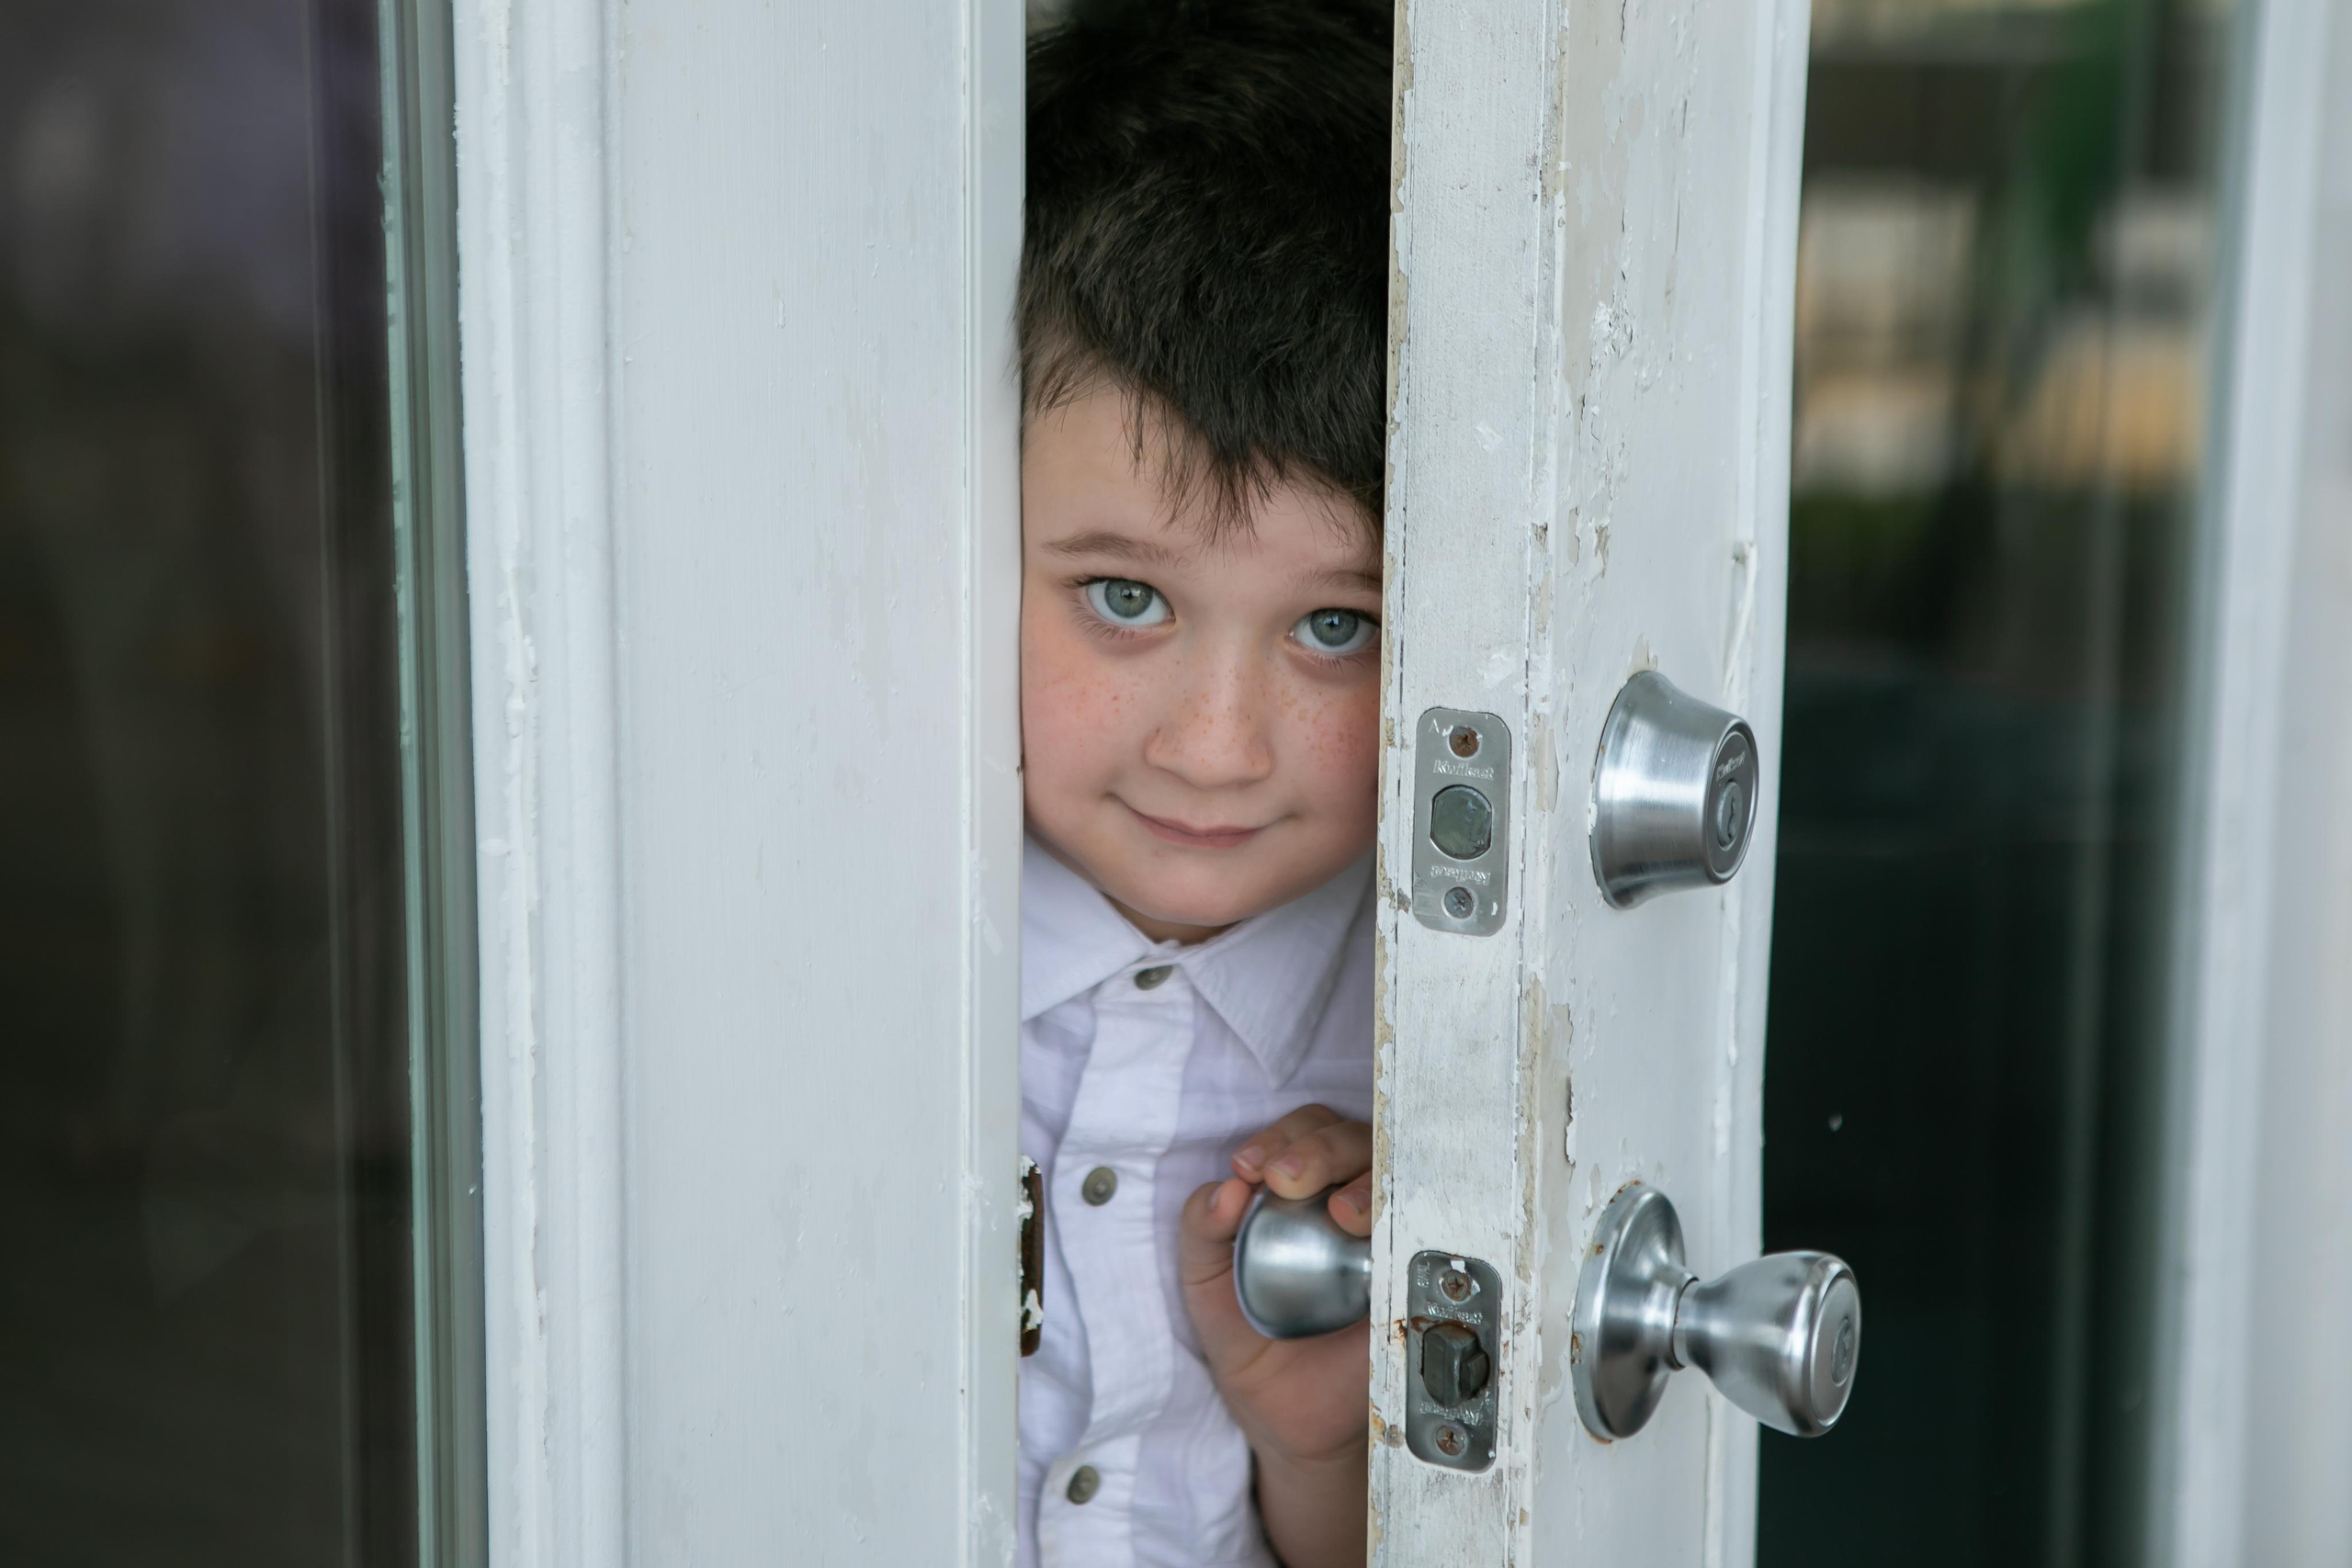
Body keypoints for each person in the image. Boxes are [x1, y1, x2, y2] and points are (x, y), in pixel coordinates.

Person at [1015, 4, 1391, 1565]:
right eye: (1124, 597)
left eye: (1335, 627)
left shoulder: (1453, 1040)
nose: (1216, 747)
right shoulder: (816, 937)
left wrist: (1320, 1447)